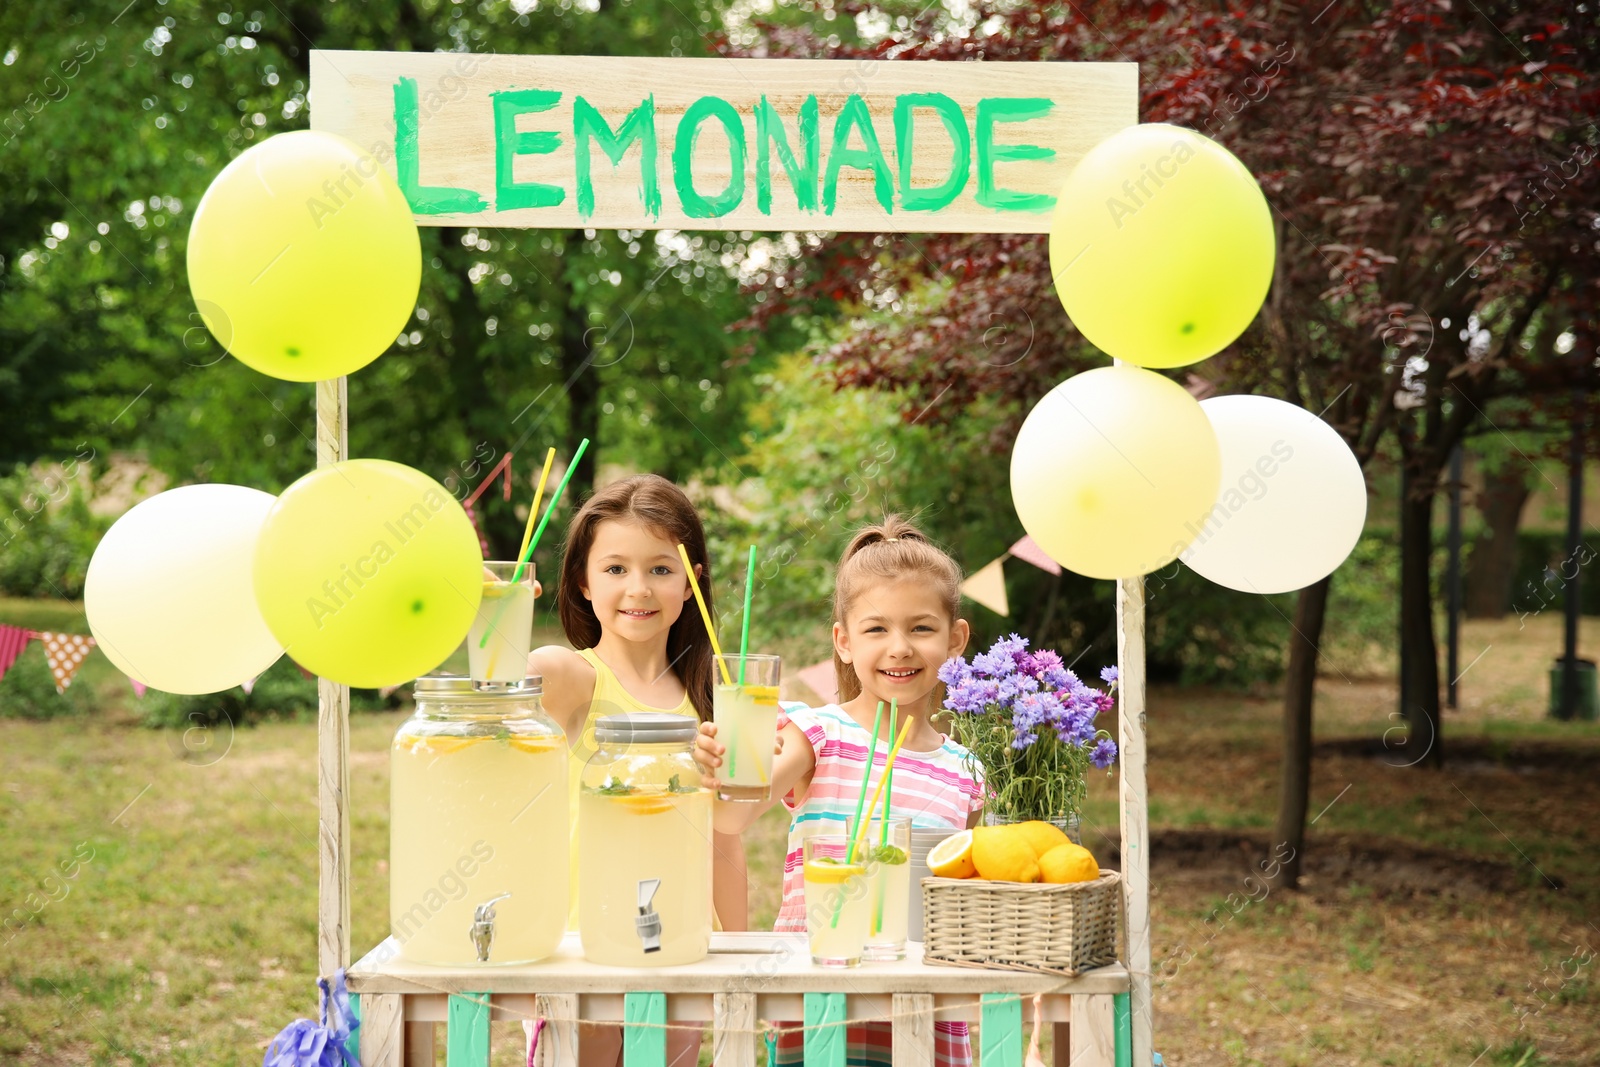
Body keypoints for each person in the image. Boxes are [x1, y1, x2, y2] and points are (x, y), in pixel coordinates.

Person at [695, 515, 983, 1067]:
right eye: (876, 629)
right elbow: (731, 819)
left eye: (921, 628)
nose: (899, 648)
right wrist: (722, 771)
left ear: (955, 640)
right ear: (843, 642)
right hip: (817, 1006)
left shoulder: (967, 770)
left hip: (924, 1015)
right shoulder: (818, 734)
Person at [527, 474, 744, 1067]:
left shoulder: (715, 701)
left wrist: (743, 955)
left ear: (692, 580)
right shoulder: (570, 676)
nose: (638, 588)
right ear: (582, 580)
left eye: (661, 569)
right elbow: (501, 702)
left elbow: (726, 841)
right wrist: (494, 618)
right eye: (616, 569)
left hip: (682, 949)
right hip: (584, 952)